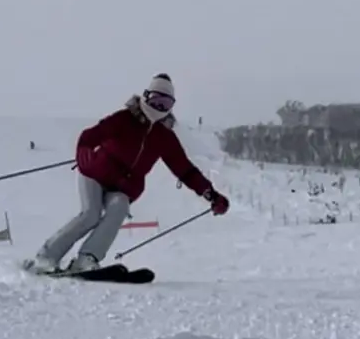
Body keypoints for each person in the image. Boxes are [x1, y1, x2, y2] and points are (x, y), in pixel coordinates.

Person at [30, 74, 228, 274]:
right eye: (156, 100)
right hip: (94, 173)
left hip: (123, 187)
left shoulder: (164, 137)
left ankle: (87, 258)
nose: (159, 107)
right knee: (90, 213)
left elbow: (184, 169)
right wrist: (84, 154)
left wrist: (210, 193)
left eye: (166, 103)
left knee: (119, 207)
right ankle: (46, 258)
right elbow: (89, 137)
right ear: (145, 97)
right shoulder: (124, 119)